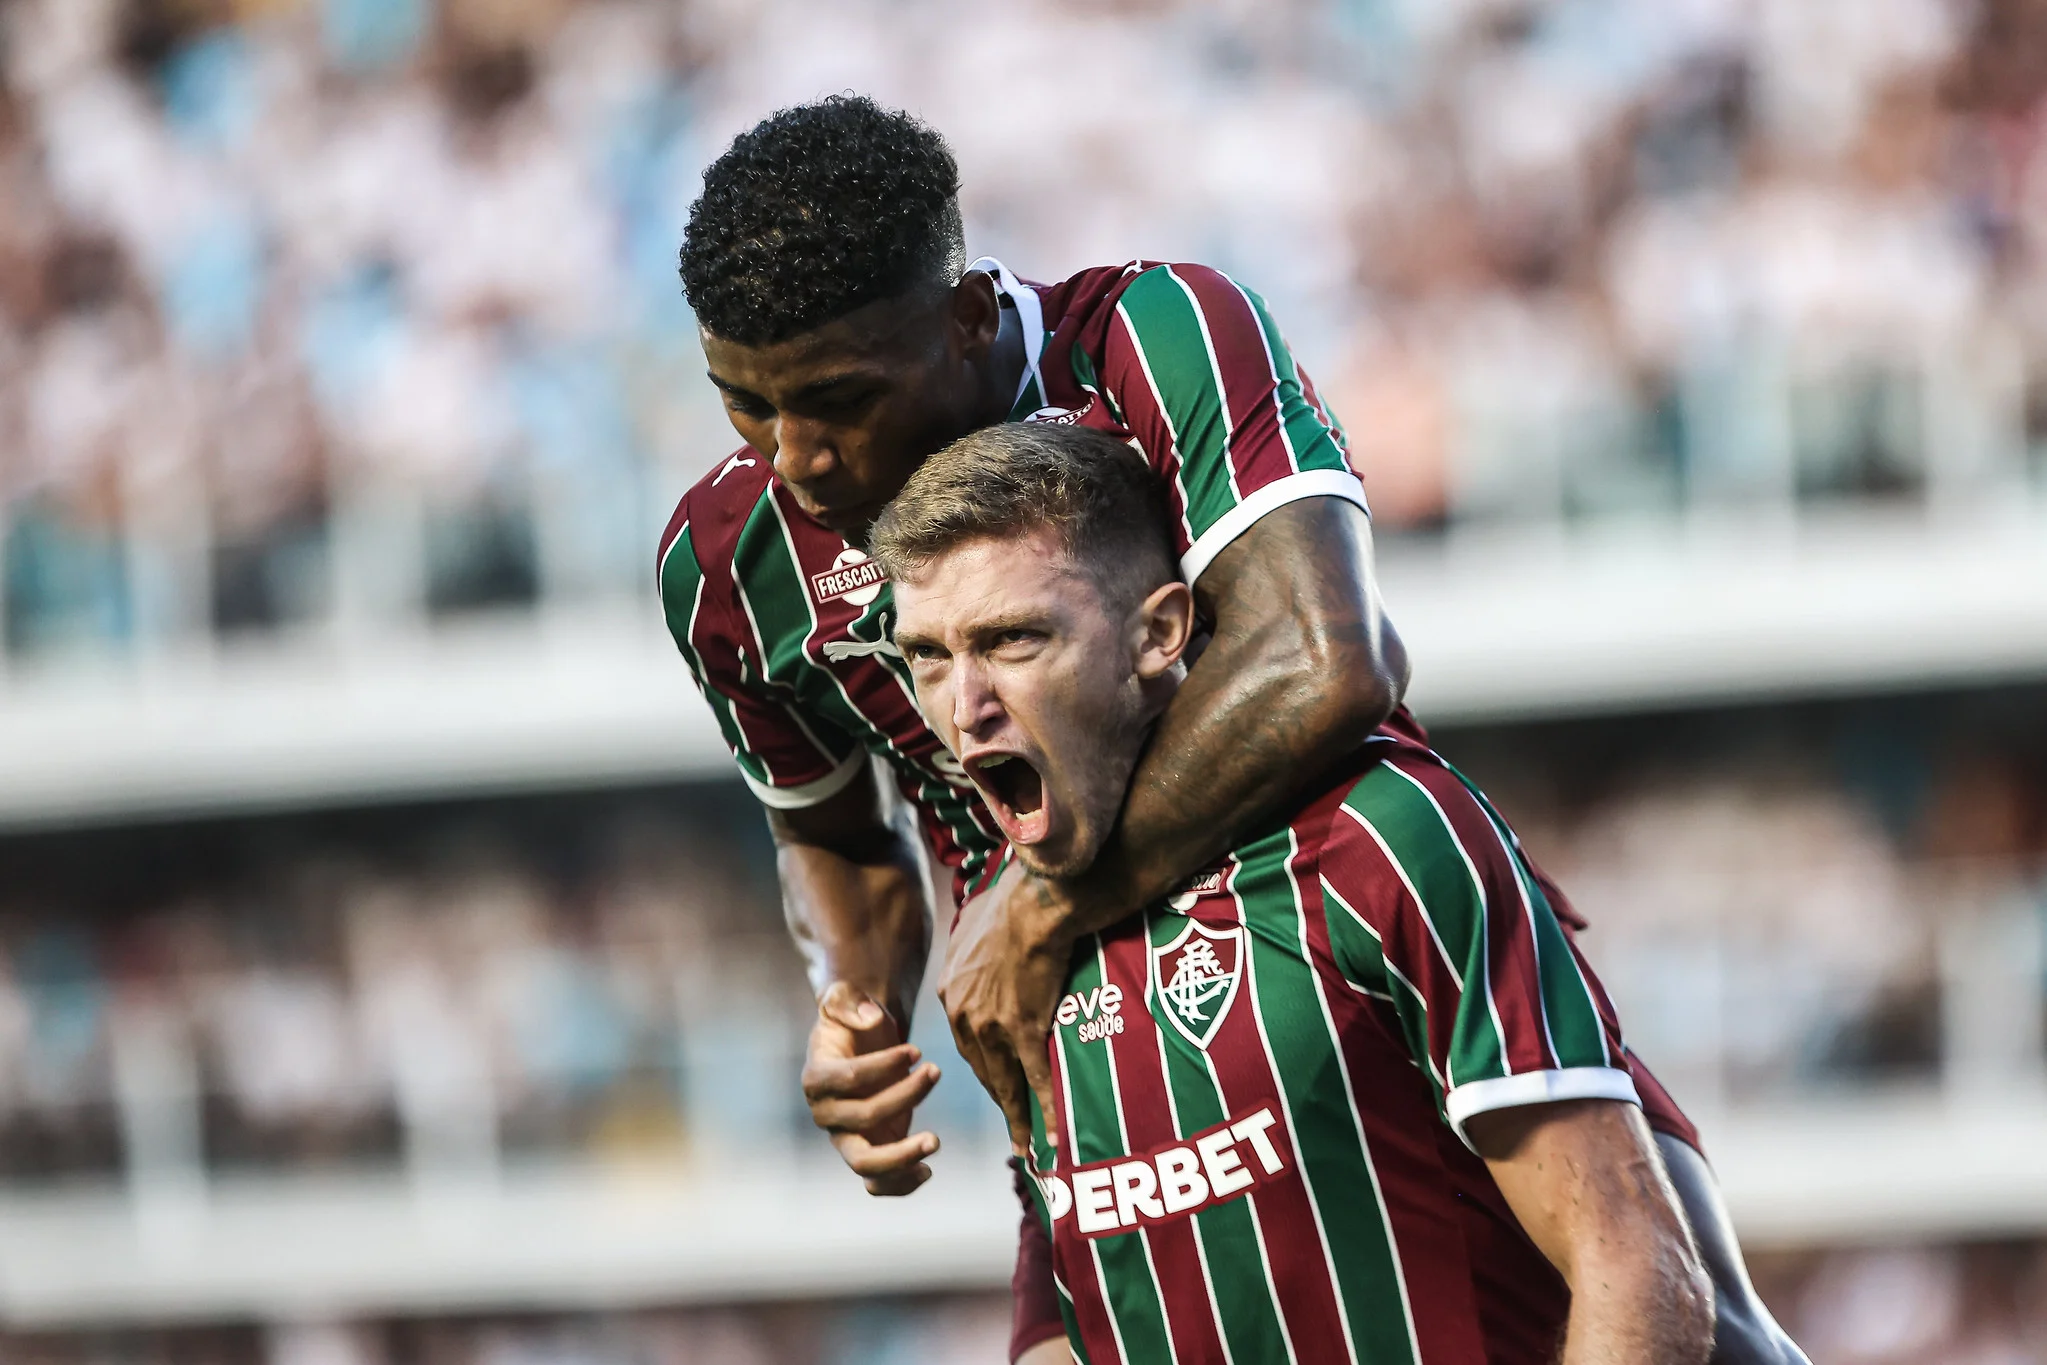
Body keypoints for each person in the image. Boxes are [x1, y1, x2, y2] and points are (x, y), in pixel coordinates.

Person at [661, 95, 1805, 1364]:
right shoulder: (727, 564)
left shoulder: (1150, 336)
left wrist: (1041, 909)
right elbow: (834, 838)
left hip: (1321, 911)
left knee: (1678, 1303)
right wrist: (856, 1009)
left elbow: (1324, 658)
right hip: (1079, 1021)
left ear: (971, 317)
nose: (799, 460)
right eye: (745, 409)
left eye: (838, 400)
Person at [873, 420, 1727, 1364]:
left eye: (1012, 639)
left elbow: (1635, 1264)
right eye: (928, 656)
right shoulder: (1006, 939)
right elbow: (1074, 1290)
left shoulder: (1374, 834)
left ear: (1158, 633)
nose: (965, 706)